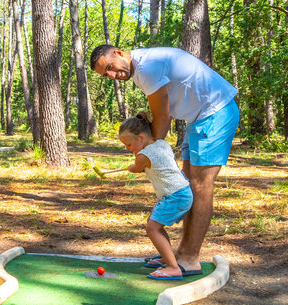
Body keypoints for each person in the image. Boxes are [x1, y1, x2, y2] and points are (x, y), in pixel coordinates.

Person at [90, 44, 239, 271]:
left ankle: (190, 258)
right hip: (199, 119)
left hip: (215, 112)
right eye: (106, 74)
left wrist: (149, 154)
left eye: (110, 67)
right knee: (187, 185)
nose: (112, 75)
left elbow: (162, 115)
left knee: (200, 185)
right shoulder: (141, 70)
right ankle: (180, 253)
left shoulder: (148, 67)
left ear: (119, 53)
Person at [118, 112, 193, 279]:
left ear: (142, 138)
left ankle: (173, 267)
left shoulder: (143, 156)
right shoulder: (162, 143)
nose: (127, 149)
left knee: (152, 228)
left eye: (129, 145)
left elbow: (137, 168)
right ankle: (165, 257)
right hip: (182, 192)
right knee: (154, 224)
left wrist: (131, 167)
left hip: (174, 195)